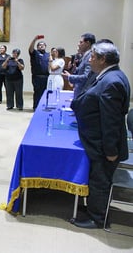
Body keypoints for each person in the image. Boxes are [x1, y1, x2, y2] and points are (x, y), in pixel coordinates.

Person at [71, 42, 130, 229]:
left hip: (104, 146)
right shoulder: (107, 75)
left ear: (103, 59)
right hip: (97, 141)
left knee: (100, 181)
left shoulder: (112, 81)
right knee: (96, 178)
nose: (90, 59)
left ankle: (97, 218)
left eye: (94, 56)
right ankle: (92, 209)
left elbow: (110, 121)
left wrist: (111, 150)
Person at [62, 33, 96, 99]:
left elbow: (86, 77)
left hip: (83, 94)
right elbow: (82, 70)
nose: (78, 44)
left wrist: (69, 77)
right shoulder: (85, 56)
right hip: (80, 92)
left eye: (81, 42)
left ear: (88, 43)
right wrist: (75, 69)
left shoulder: (90, 56)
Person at [28, 35, 49, 110]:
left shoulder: (48, 55)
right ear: (37, 47)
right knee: (37, 92)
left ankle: (44, 106)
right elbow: (30, 49)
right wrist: (34, 39)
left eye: (43, 45)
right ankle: (36, 107)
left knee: (46, 93)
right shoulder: (35, 53)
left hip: (46, 77)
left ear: (45, 46)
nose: (41, 46)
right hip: (37, 77)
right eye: (39, 45)